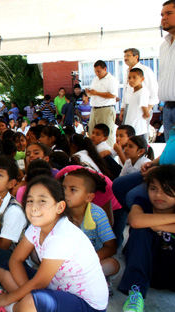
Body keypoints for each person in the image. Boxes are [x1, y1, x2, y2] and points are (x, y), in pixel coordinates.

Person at [0, 176, 108, 312]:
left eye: (42, 201)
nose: (34, 208)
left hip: (86, 304)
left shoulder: (61, 235)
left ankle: (11, 307)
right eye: (30, 200)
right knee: (5, 269)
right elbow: (16, 259)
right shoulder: (37, 225)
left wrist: (8, 298)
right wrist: (28, 293)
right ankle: (24, 304)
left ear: (60, 207)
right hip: (54, 288)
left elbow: (40, 282)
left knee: (32, 302)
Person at [117, 165, 175, 312]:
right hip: (147, 270)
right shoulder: (142, 203)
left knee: (145, 225)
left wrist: (155, 225)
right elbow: (136, 221)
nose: (158, 195)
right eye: (153, 188)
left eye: (167, 191)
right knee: (140, 230)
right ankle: (135, 293)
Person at [61, 169, 120, 293]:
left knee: (113, 264)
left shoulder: (97, 214)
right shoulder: (58, 213)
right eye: (63, 188)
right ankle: (80, 282)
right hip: (64, 263)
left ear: (89, 197)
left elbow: (111, 247)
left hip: (91, 262)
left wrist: (88, 260)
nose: (65, 193)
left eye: (72, 189)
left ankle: (89, 281)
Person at [86, 60, 119, 147]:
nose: (97, 73)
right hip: (94, 108)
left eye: (99, 71)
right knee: (92, 132)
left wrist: (96, 93)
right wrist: (89, 93)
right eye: (95, 71)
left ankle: (108, 153)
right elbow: (93, 93)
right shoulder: (95, 80)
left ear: (105, 69)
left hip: (106, 109)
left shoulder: (111, 79)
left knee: (105, 133)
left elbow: (113, 95)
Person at [160, 1, 175, 140]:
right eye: (162, 15)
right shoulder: (164, 46)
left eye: (168, 13)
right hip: (167, 109)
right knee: (171, 155)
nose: (163, 18)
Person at [123, 68, 151, 137]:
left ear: (142, 79)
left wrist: (138, 121)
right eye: (129, 78)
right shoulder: (134, 92)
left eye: (134, 77)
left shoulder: (142, 93)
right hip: (131, 128)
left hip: (138, 130)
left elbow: (146, 114)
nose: (131, 80)